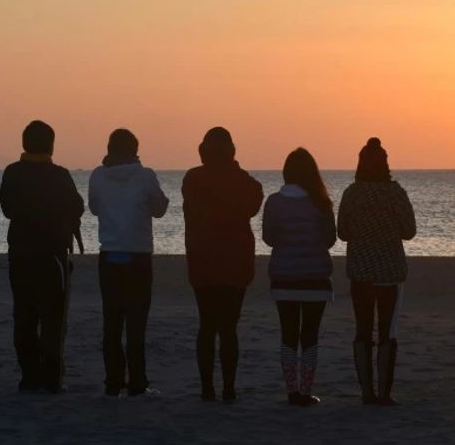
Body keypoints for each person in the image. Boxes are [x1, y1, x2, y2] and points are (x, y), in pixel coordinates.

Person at [0, 120, 84, 393]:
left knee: (23, 316)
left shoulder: (13, 172)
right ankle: (50, 376)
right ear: (51, 144)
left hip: (21, 254)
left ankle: (29, 374)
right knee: (53, 318)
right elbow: (77, 206)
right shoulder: (59, 175)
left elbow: (8, 209)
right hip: (52, 255)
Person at [182, 126, 263, 403]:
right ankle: (228, 387)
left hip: (203, 262)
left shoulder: (193, 179)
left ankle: (207, 388)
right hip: (235, 264)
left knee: (207, 325)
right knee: (228, 327)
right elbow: (252, 202)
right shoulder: (246, 183)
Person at [88, 128, 169, 397]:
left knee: (111, 321)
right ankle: (137, 380)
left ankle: (113, 380)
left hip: (110, 254)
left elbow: (95, 208)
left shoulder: (98, 176)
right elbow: (159, 209)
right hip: (137, 256)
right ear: (135, 150)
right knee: (136, 322)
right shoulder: (145, 176)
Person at [337, 138, 416, 406]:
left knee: (362, 330)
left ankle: (366, 392)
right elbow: (409, 231)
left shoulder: (351, 194)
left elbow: (343, 232)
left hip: (360, 272)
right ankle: (384, 392)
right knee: (386, 332)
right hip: (390, 273)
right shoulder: (395, 193)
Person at [262, 148, 336, 406]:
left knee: (288, 334)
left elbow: (268, 238)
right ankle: (306, 389)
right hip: (315, 278)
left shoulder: (273, 202)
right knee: (310, 335)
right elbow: (330, 239)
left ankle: (291, 390)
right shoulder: (322, 202)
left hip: (284, 277)